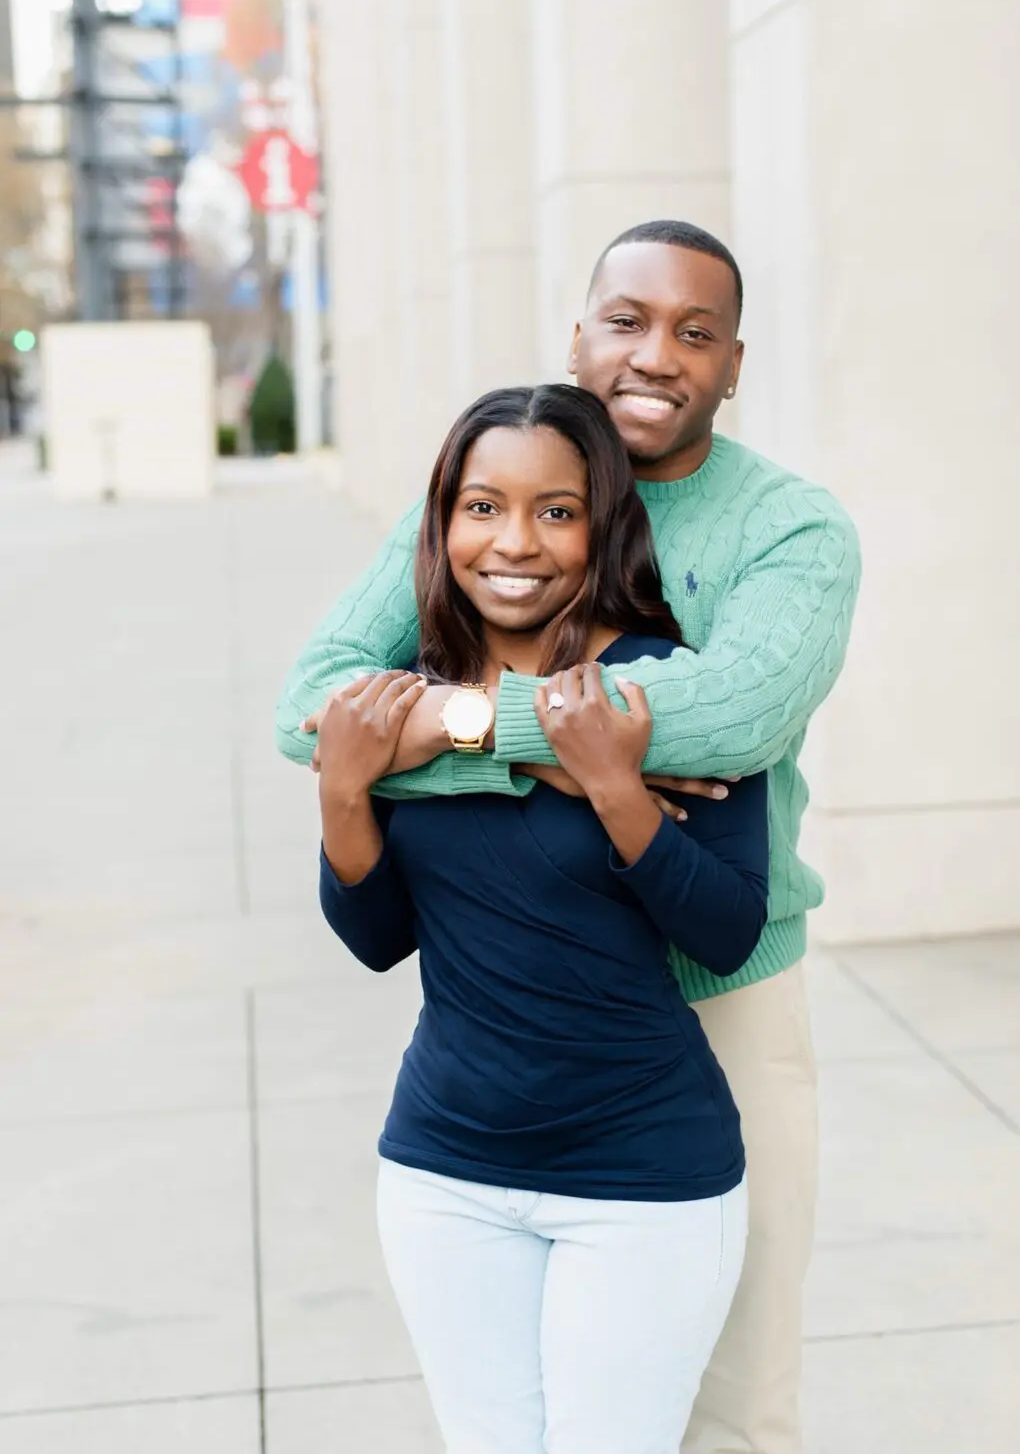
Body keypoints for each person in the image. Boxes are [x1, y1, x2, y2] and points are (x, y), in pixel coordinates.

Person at [277, 220, 861, 1454]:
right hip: (527, 1004)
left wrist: (438, 733)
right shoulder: (492, 496)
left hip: (723, 984)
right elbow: (312, 711)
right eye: (626, 321)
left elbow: (739, 713)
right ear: (578, 332)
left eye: (693, 335)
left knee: (734, 1393)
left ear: (734, 363)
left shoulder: (789, 528)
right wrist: (589, 761)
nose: (655, 356)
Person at [318, 384, 769, 1453]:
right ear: (441, 524)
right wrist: (343, 793)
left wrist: (615, 788)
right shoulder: (405, 701)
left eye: (555, 512)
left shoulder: (664, 690)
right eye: (481, 507)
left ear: (601, 522)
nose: (513, 543)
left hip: (642, 1181)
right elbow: (379, 938)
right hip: (443, 1172)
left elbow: (726, 931)